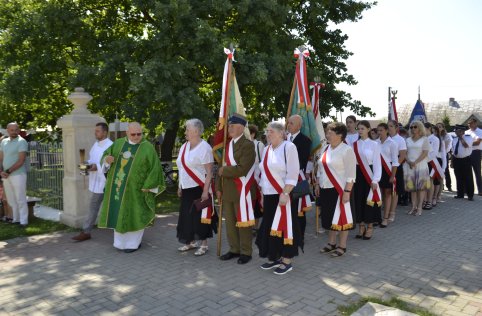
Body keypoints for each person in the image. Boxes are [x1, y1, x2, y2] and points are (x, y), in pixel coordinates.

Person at [98, 122, 165, 253]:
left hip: (137, 191)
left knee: (135, 216)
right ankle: (119, 244)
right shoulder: (117, 144)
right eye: (133, 134)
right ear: (127, 133)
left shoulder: (147, 148)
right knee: (119, 215)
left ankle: (133, 244)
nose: (136, 137)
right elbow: (104, 159)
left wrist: (149, 186)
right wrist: (107, 160)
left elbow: (155, 169)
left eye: (139, 134)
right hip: (118, 189)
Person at [256, 121, 301, 274]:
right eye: (267, 131)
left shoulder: (289, 147)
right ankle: (275, 257)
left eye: (271, 131)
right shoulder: (267, 149)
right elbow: (264, 174)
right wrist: (262, 194)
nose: (268, 134)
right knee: (271, 227)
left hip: (283, 195)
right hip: (269, 195)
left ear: (281, 133)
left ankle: (287, 260)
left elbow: (293, 173)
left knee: (285, 226)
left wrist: (285, 193)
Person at [216, 113, 256, 264]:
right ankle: (234, 249)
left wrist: (223, 171)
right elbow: (221, 167)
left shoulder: (248, 145)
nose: (230, 128)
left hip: (242, 191)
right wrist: (218, 187)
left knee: (243, 223)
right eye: (229, 126)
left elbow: (242, 169)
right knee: (230, 224)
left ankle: (246, 252)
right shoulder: (227, 145)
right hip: (227, 190)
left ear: (241, 127)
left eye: (232, 126)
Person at [315, 122, 355, 257]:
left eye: (330, 133)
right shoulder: (325, 148)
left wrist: (347, 192)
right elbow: (320, 169)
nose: (327, 135)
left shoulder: (347, 150)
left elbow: (351, 174)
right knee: (330, 218)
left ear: (340, 135)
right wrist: (317, 184)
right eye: (327, 132)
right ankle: (331, 243)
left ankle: (342, 246)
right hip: (325, 188)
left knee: (341, 218)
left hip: (340, 190)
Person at [176, 119, 214, 256]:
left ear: (197, 131)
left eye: (188, 129)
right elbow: (181, 168)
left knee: (199, 217)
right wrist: (180, 186)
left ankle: (204, 245)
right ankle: (190, 242)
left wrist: (205, 191)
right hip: (186, 187)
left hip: (199, 187)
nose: (185, 132)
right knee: (186, 216)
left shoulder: (205, 148)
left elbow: (209, 172)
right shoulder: (184, 146)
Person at [72, 122, 113, 241]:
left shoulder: (111, 146)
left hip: (106, 182)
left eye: (98, 131)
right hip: (96, 181)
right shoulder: (96, 144)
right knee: (95, 206)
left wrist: (96, 167)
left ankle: (86, 231)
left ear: (105, 132)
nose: (95, 133)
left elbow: (110, 164)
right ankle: (87, 231)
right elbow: (93, 159)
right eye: (95, 131)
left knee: (96, 206)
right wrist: (86, 164)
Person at [353, 120, 381, 240]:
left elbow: (377, 164)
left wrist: (375, 180)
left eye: (362, 128)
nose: (360, 131)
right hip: (357, 174)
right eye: (358, 128)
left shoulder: (374, 144)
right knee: (358, 200)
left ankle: (370, 227)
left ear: (369, 129)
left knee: (369, 201)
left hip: (369, 174)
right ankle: (361, 226)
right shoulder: (354, 144)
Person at [286, 115, 312, 244]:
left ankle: (300, 236)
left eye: (291, 123)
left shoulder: (305, 140)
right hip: (283, 179)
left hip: (297, 179)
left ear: (299, 126)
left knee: (299, 210)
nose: (288, 125)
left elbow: (302, 161)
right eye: (288, 122)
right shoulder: (283, 138)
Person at [0, 123, 29, 227]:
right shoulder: (3, 141)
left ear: (19, 130)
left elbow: (21, 161)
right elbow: (1, 158)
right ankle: (16, 219)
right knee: (11, 199)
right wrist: (1, 171)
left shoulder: (22, 142)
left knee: (20, 198)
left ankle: (24, 221)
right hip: (5, 175)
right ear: (7, 130)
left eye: (16, 130)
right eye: (12, 130)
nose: (14, 132)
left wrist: (7, 172)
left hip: (18, 174)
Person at [404, 120, 431, 216]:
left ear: (420, 127)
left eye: (415, 127)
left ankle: (419, 208)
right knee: (412, 188)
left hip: (421, 165)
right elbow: (404, 153)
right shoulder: (407, 140)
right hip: (409, 165)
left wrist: (415, 162)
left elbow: (425, 153)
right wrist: (409, 161)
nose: (413, 129)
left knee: (421, 188)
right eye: (411, 127)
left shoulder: (424, 139)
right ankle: (413, 207)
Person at [376, 123, 399, 228]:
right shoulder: (375, 143)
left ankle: (385, 218)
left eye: (381, 130)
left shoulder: (392, 143)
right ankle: (377, 217)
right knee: (378, 194)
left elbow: (395, 161)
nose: (379, 132)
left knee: (387, 194)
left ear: (386, 130)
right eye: (378, 130)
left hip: (387, 171)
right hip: (377, 170)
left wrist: (392, 175)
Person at [423, 123, 445, 210]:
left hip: (431, 162)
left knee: (430, 181)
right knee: (424, 182)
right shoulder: (422, 138)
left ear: (429, 128)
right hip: (422, 162)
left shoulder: (435, 139)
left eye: (423, 128)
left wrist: (425, 159)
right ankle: (424, 200)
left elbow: (434, 153)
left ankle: (429, 201)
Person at [388, 120, 408, 216]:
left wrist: (394, 167)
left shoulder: (400, 140)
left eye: (391, 126)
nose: (389, 128)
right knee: (386, 191)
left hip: (396, 167)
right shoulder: (384, 139)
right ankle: (386, 210)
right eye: (387, 126)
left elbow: (402, 156)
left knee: (394, 191)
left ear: (396, 128)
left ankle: (392, 212)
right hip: (385, 166)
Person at [248, 124, 265, 232]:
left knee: (257, 203)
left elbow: (263, 162)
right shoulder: (243, 145)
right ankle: (249, 225)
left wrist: (260, 180)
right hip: (246, 177)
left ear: (253, 134)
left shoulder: (259, 145)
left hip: (256, 176)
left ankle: (256, 227)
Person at [453, 124, 474, 200]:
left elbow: (465, 145)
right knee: (458, 177)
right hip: (456, 160)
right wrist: (452, 161)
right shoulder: (455, 138)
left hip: (465, 160)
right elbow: (453, 150)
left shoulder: (468, 137)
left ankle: (470, 195)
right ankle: (460, 194)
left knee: (468, 178)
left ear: (462, 131)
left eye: (457, 131)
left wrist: (461, 137)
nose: (455, 132)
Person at [466, 118, 481, 195]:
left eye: (471, 123)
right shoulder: (466, 132)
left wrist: (467, 144)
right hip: (467, 153)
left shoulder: (480, 131)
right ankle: (468, 190)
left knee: (477, 172)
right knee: (467, 172)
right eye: (468, 123)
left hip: (476, 152)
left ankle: (480, 190)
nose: (469, 125)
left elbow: (477, 142)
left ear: (475, 123)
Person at [436, 122, 453, 192]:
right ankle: (440, 185)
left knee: (445, 170)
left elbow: (445, 147)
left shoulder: (446, 136)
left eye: (440, 127)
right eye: (437, 127)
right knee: (437, 170)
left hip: (443, 154)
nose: (438, 128)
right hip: (436, 155)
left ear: (443, 128)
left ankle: (448, 185)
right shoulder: (435, 135)